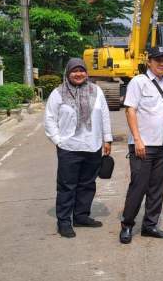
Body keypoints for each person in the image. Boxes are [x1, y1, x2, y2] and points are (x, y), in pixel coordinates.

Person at [119, 46, 163, 244]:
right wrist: (137, 139)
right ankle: (127, 225)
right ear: (149, 61)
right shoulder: (139, 82)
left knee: (157, 187)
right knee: (138, 186)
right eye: (158, 60)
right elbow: (130, 111)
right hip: (143, 145)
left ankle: (150, 225)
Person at [44, 58, 112, 238]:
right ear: (67, 73)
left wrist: (107, 139)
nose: (78, 74)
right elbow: (50, 118)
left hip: (92, 145)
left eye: (82, 70)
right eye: (74, 71)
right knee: (67, 186)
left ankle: (81, 216)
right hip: (69, 148)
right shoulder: (58, 93)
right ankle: (64, 222)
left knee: (88, 184)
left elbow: (104, 114)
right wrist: (58, 140)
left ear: (86, 73)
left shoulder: (96, 91)